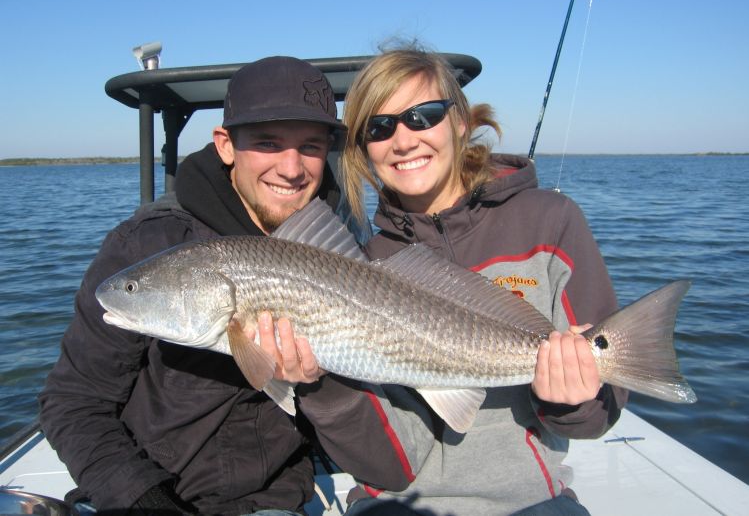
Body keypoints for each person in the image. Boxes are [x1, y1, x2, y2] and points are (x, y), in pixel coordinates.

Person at [38, 56, 414, 515]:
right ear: (226, 145)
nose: (291, 168)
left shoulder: (344, 249)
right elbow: (72, 402)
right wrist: (144, 500)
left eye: (310, 146)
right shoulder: (148, 243)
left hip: (271, 499)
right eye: (268, 143)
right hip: (144, 492)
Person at [333, 48, 630, 515]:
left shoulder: (549, 221)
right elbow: (377, 444)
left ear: (460, 123)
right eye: (379, 126)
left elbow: (597, 417)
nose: (403, 140)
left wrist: (571, 402)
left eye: (422, 116)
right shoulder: (363, 265)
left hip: (530, 499)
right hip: (396, 500)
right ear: (363, 147)